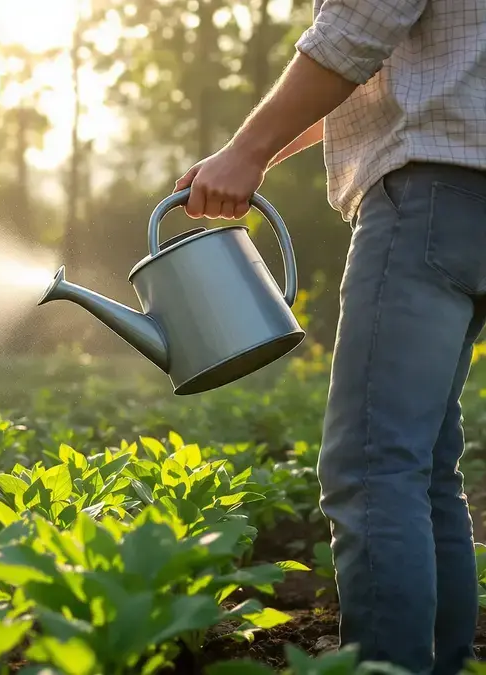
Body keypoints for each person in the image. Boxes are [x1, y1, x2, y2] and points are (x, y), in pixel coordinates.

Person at [174, 0, 486, 672]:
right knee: (425, 467)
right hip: (471, 197)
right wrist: (249, 150)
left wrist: (247, 151)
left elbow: (354, 32)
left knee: (373, 466)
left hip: (427, 196)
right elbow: (399, 68)